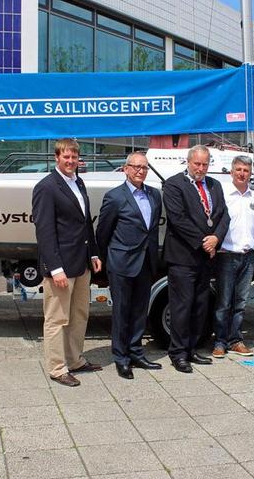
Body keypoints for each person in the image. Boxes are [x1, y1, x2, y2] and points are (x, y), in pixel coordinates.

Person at [31, 138, 103, 387]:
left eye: (74, 157)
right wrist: (55, 268)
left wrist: (93, 254)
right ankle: (57, 368)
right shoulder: (46, 187)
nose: (71, 161)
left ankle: (74, 360)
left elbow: (85, 224)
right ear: (57, 158)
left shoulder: (78, 182)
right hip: (61, 267)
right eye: (66, 157)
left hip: (81, 263)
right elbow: (45, 232)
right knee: (57, 319)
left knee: (79, 315)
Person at [163, 145, 230, 373]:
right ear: (188, 162)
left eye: (205, 164)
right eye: (197, 164)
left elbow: (223, 216)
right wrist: (206, 241)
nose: (201, 168)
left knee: (200, 306)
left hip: (206, 258)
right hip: (183, 256)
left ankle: (191, 349)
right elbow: (178, 219)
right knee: (181, 307)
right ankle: (178, 353)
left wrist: (217, 238)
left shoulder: (215, 185)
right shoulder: (173, 184)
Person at [96, 152, 163, 379]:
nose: (140, 171)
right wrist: (107, 261)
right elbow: (102, 233)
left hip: (145, 262)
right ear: (125, 169)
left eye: (144, 167)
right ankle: (121, 358)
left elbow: (151, 230)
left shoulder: (155, 195)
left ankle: (136, 352)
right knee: (122, 312)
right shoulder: (114, 197)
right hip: (121, 263)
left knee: (139, 312)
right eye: (135, 167)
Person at [212, 155, 254, 358]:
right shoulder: (223, 195)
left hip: (248, 255)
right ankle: (219, 342)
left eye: (246, 170)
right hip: (226, 255)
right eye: (239, 170)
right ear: (231, 172)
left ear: (250, 174)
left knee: (241, 301)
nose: (242, 173)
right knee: (224, 302)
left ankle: (236, 340)